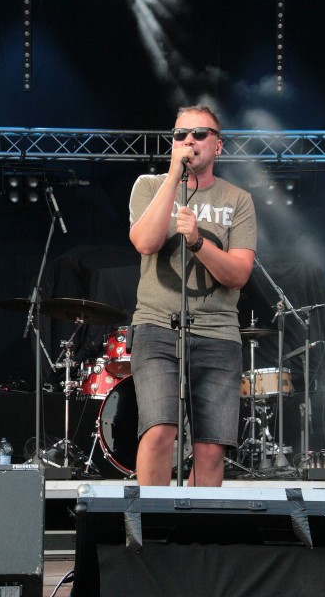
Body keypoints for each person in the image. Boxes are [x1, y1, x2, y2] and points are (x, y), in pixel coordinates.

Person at [129, 104, 257, 486]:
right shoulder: (148, 186)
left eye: (200, 134)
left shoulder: (238, 199)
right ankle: (150, 521)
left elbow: (238, 274)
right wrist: (173, 175)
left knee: (211, 449)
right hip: (157, 327)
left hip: (218, 332)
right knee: (158, 432)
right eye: (180, 134)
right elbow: (145, 242)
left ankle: (198, 524)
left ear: (218, 145)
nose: (189, 141)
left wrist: (198, 241)